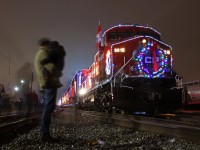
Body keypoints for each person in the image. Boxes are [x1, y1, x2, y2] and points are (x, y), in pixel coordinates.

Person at [34, 38, 65, 143]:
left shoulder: (40, 53)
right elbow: (50, 67)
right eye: (49, 45)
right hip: (49, 83)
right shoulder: (43, 53)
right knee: (48, 108)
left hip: (46, 83)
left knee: (48, 108)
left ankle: (45, 134)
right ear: (46, 45)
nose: (50, 48)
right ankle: (44, 135)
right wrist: (59, 73)